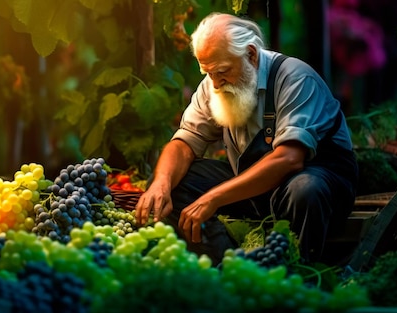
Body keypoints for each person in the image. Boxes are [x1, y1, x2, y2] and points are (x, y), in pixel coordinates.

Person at [134, 12, 358, 266]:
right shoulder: (213, 82)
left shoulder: (295, 78)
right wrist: (161, 183)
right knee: (172, 182)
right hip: (256, 187)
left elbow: (289, 159)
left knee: (305, 189)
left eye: (222, 72)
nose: (216, 84)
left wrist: (213, 198)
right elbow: (183, 143)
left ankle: (293, 269)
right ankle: (226, 263)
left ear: (250, 54)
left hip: (316, 185)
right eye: (208, 73)